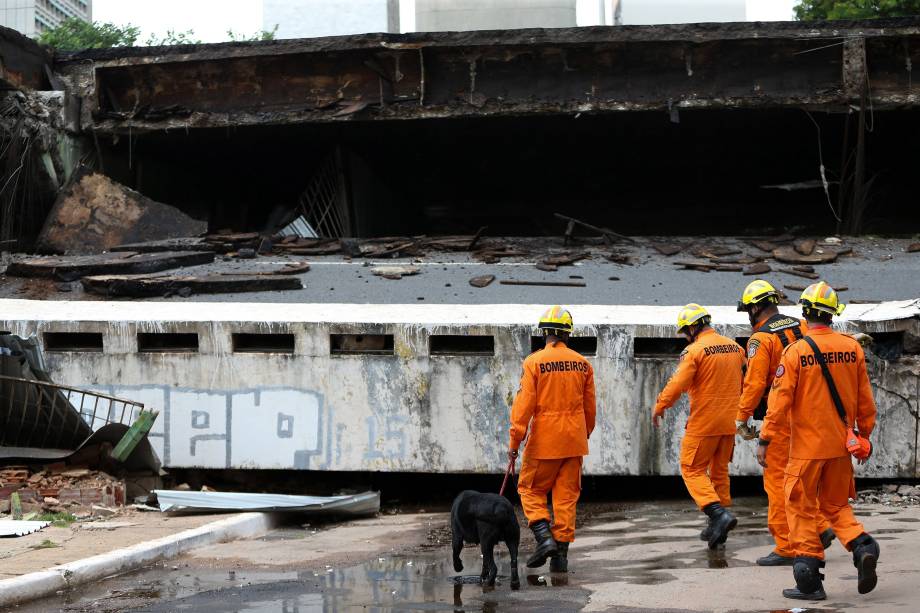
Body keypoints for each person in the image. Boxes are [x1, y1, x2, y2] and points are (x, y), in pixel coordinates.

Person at [760, 282, 880, 600]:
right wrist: (863, 435)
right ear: (832, 314)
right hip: (841, 447)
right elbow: (866, 401)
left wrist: (766, 437)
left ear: (804, 313)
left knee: (799, 507)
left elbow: (779, 400)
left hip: (806, 451)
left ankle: (809, 580)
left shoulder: (796, 351)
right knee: (836, 505)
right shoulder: (851, 348)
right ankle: (863, 546)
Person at [735, 280, 835, 566]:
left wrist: (742, 417)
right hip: (809, 416)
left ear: (755, 307)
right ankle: (819, 527)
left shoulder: (760, 339)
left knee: (778, 482)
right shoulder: (802, 325)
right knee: (800, 478)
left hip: (779, 417)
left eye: (748, 310)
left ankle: (787, 545)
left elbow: (754, 385)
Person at [508, 305, 596, 573]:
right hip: (574, 441)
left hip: (544, 441)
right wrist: (583, 434)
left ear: (544, 332)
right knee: (566, 498)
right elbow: (590, 409)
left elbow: (523, 407)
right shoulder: (583, 364)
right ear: (567, 334)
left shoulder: (533, 363)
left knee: (529, 490)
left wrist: (514, 443)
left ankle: (545, 539)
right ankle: (560, 559)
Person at [653, 304, 745, 549]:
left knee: (692, 470)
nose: (685, 335)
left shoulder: (694, 351)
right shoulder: (735, 348)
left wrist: (661, 405)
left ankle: (718, 515)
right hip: (728, 423)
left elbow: (677, 384)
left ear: (693, 327)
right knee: (719, 472)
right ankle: (719, 529)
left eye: (685, 331)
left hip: (704, 423)